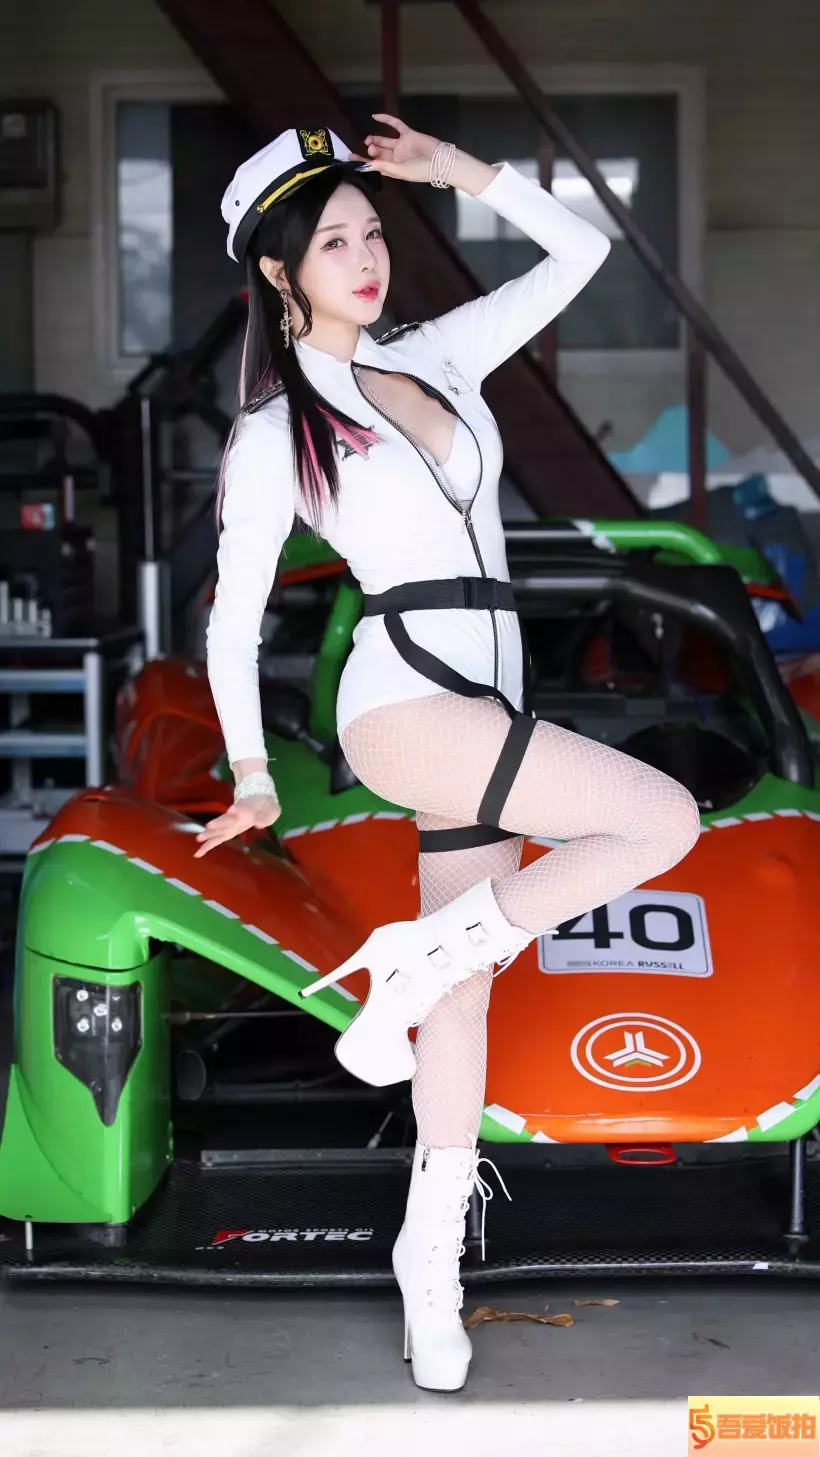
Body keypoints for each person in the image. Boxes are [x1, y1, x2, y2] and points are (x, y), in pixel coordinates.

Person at [198, 118, 701, 1391]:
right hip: (405, 703)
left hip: (490, 694)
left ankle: (428, 1267)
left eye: (373, 232)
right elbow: (232, 615)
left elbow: (582, 253)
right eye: (333, 243)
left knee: (464, 999)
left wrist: (469, 177)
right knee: (662, 819)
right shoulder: (273, 430)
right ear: (278, 271)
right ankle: (412, 959)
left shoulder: (438, 353)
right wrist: (251, 771)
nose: (367, 257)